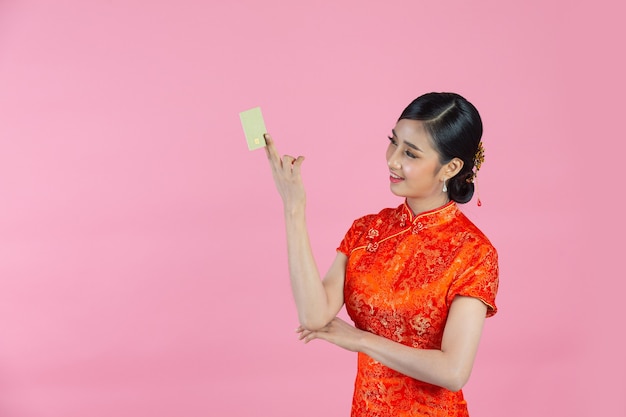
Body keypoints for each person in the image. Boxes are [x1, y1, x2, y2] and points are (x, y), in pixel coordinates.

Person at [265, 92, 499, 417]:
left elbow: (453, 371)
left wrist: (361, 340)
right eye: (394, 142)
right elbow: (314, 316)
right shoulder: (367, 230)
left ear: (451, 167)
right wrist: (294, 206)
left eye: (411, 154)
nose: (392, 159)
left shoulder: (472, 251)